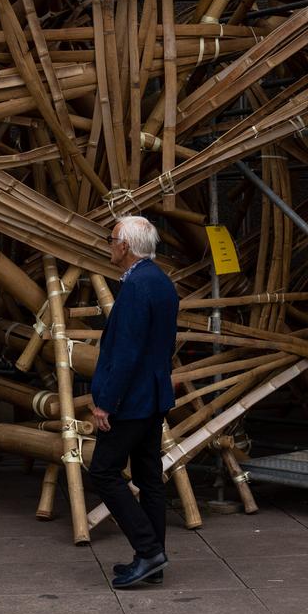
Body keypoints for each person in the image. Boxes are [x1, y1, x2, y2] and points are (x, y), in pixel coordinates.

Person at [88, 215, 179, 589]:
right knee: (148, 478)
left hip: (131, 399)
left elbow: (126, 353)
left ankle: (148, 551)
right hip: (153, 395)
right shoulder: (160, 282)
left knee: (103, 472)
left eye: (111, 240)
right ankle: (152, 560)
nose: (109, 245)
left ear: (124, 247)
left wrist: (105, 403)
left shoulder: (138, 287)